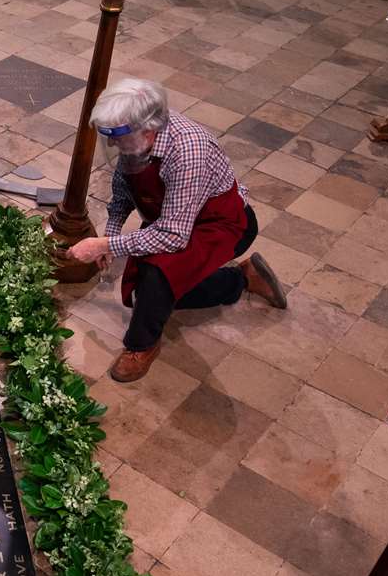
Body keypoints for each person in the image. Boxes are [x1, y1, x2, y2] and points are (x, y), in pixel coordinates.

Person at [67, 78, 286, 383]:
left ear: (148, 129)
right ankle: (243, 278)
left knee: (157, 277)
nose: (114, 145)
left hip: (221, 225)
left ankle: (141, 346)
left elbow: (172, 236)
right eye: (109, 138)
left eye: (117, 137)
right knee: (149, 287)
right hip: (176, 219)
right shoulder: (136, 139)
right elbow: (122, 192)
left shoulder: (188, 150)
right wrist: (112, 232)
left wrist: (105, 245)